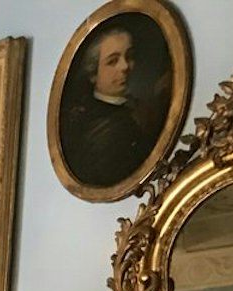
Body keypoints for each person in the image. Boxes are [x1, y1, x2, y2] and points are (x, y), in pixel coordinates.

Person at [59, 24, 162, 189]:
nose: (125, 66)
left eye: (129, 56)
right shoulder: (96, 125)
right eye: (113, 61)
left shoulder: (139, 107)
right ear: (93, 73)